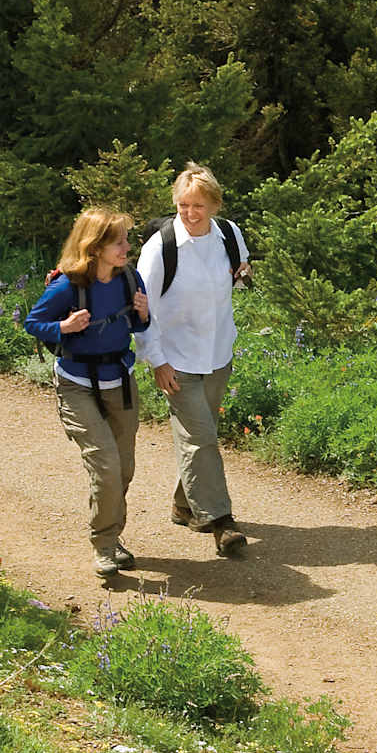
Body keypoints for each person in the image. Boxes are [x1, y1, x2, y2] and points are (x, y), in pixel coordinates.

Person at [25, 209, 151, 579]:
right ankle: (105, 544)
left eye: (126, 240)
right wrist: (62, 326)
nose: (127, 247)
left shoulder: (129, 277)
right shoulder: (67, 284)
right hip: (76, 383)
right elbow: (33, 324)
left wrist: (144, 315)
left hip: (120, 381)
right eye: (119, 242)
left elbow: (136, 324)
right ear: (94, 247)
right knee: (106, 465)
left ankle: (112, 536)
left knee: (123, 468)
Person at [134, 162, 250, 557]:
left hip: (218, 353)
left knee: (200, 436)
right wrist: (156, 362)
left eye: (198, 205)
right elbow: (141, 310)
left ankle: (184, 505)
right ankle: (221, 522)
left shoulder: (230, 235)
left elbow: (234, 277)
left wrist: (242, 272)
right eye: (183, 205)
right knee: (201, 440)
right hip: (177, 359)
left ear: (214, 205)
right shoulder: (159, 249)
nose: (189, 213)